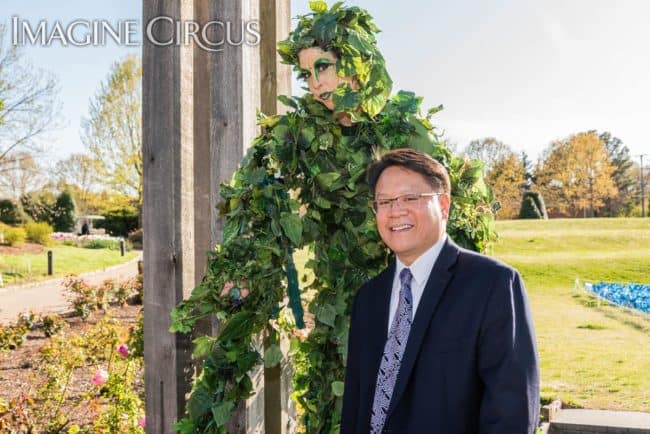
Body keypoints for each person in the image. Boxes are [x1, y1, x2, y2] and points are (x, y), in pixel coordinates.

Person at [171, 3, 496, 432]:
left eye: (323, 67)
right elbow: (255, 199)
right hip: (340, 308)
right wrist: (241, 271)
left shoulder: (405, 132)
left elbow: (448, 211)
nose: (316, 83)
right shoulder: (297, 135)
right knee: (340, 410)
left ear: (358, 62)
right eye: (306, 75)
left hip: (413, 302)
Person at [341, 148, 540, 434]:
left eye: (410, 198)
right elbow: (357, 407)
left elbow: (512, 413)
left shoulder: (493, 285)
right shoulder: (369, 298)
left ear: (444, 205)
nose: (396, 211)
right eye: (384, 202)